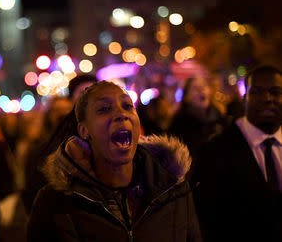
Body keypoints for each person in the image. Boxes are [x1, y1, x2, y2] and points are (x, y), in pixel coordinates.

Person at [27, 81, 202, 241]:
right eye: (104, 109)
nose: (121, 114)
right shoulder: (54, 203)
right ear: (84, 130)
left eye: (127, 106)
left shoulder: (173, 188)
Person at [196, 65, 281, 242]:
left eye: (275, 92)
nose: (267, 99)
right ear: (245, 98)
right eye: (257, 92)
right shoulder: (215, 151)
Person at [168, 76, 226, 185]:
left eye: (204, 86)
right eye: (195, 88)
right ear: (186, 96)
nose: (201, 90)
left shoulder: (221, 120)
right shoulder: (178, 124)